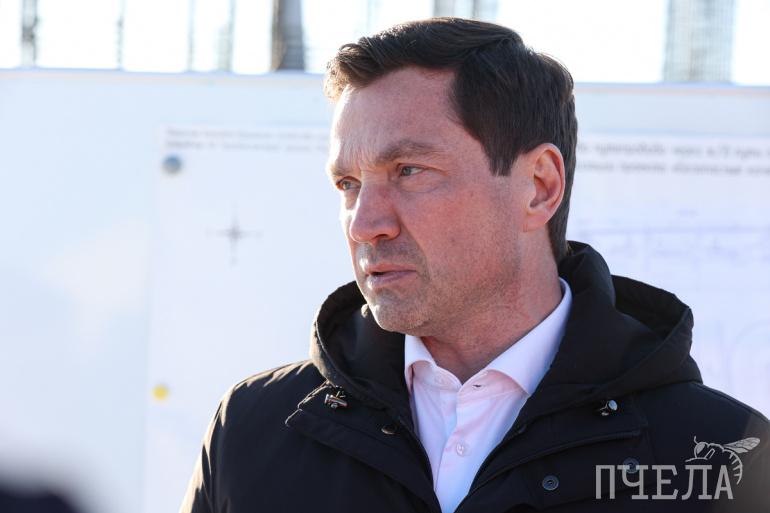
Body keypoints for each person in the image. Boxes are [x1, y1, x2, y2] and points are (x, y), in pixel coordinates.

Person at [180, 17, 769, 513]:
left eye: (409, 171)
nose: (364, 223)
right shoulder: (253, 433)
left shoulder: (724, 461)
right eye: (348, 183)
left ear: (539, 187)